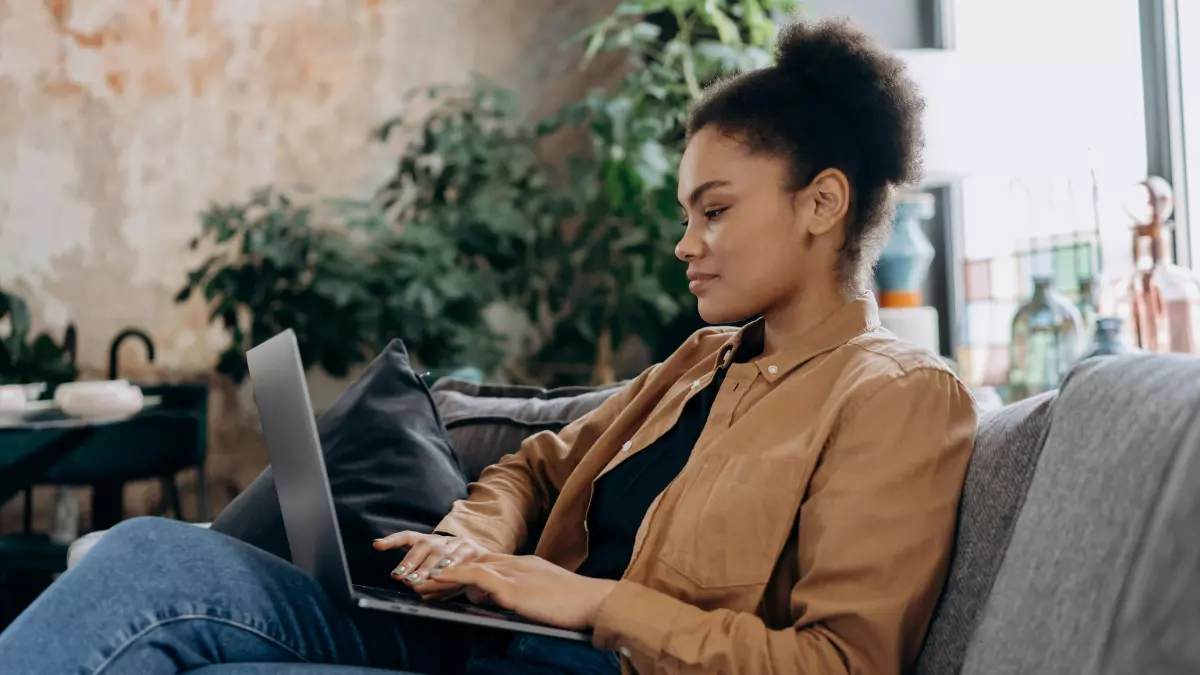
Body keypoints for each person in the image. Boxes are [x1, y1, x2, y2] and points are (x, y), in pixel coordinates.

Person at [0, 16, 976, 675]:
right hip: (490, 642)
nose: (686, 243)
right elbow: (536, 467)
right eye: (688, 213)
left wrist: (588, 603)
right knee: (146, 556)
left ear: (823, 201)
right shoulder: (699, 365)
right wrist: (470, 546)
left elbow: (840, 663)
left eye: (715, 210)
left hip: (588, 662)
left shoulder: (895, 396)